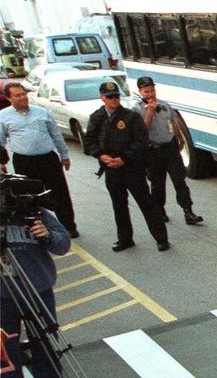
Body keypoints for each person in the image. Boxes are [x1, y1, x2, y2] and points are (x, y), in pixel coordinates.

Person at [1, 191, 77, 378]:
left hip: (38, 289)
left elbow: (63, 244)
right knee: (5, 352)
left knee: (46, 343)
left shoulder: (33, 209)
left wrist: (47, 235)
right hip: (2, 298)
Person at [84, 80, 168, 252]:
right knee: (119, 205)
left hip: (131, 168)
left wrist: (124, 158)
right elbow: (90, 142)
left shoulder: (130, 117)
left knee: (146, 203)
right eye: (110, 97)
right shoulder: (96, 117)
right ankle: (125, 239)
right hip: (111, 169)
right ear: (102, 98)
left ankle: (161, 238)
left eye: (116, 96)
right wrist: (101, 156)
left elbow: (141, 141)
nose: (114, 100)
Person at [0, 82, 76, 238]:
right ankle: (37, 230)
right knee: (29, 198)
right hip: (24, 162)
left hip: (48, 159)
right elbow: (0, 142)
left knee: (60, 194)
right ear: (9, 98)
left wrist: (64, 155)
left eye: (23, 94)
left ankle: (69, 227)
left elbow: (56, 135)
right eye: (17, 95)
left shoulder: (42, 112)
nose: (22, 97)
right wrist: (1, 164)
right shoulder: (3, 117)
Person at [136, 76, 202, 227]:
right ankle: (160, 211)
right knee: (158, 185)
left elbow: (173, 122)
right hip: (153, 151)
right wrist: (150, 112)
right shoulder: (137, 109)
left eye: (152, 90)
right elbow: (142, 130)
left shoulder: (165, 106)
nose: (150, 94)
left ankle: (188, 211)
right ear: (140, 92)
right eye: (147, 91)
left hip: (170, 148)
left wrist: (180, 139)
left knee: (180, 181)